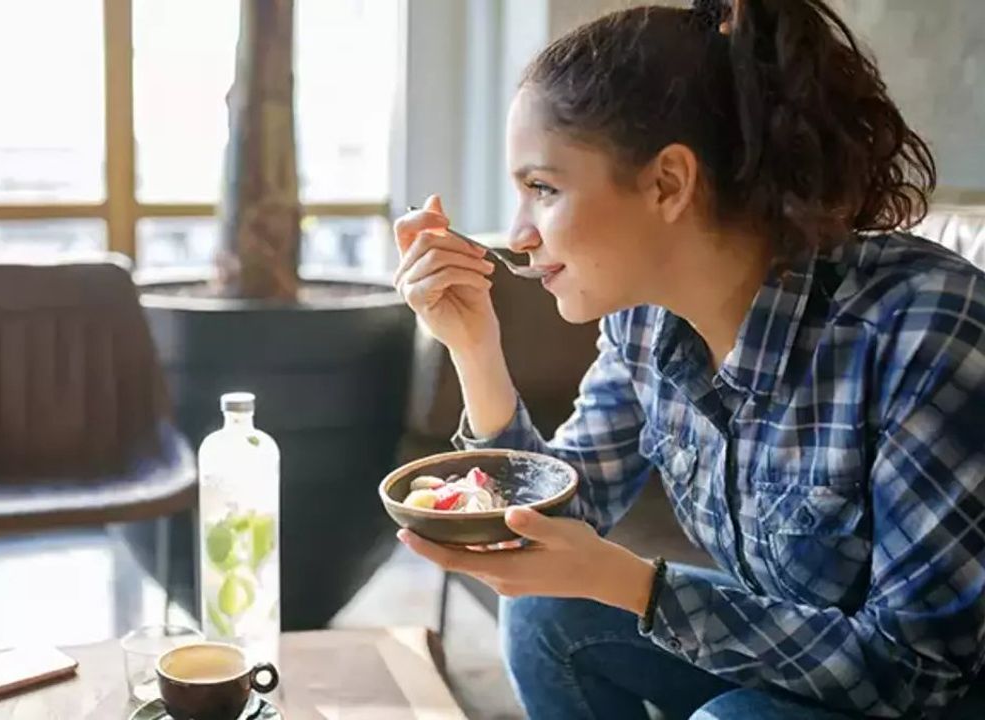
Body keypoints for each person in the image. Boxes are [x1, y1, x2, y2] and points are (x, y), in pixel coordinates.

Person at [391, 0, 985, 718]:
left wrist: (639, 588)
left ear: (668, 183)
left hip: (926, 697)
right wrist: (474, 347)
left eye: (543, 188)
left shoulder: (920, 331)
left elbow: (923, 675)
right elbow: (564, 517)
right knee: (548, 613)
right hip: (794, 660)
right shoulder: (644, 325)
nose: (518, 234)